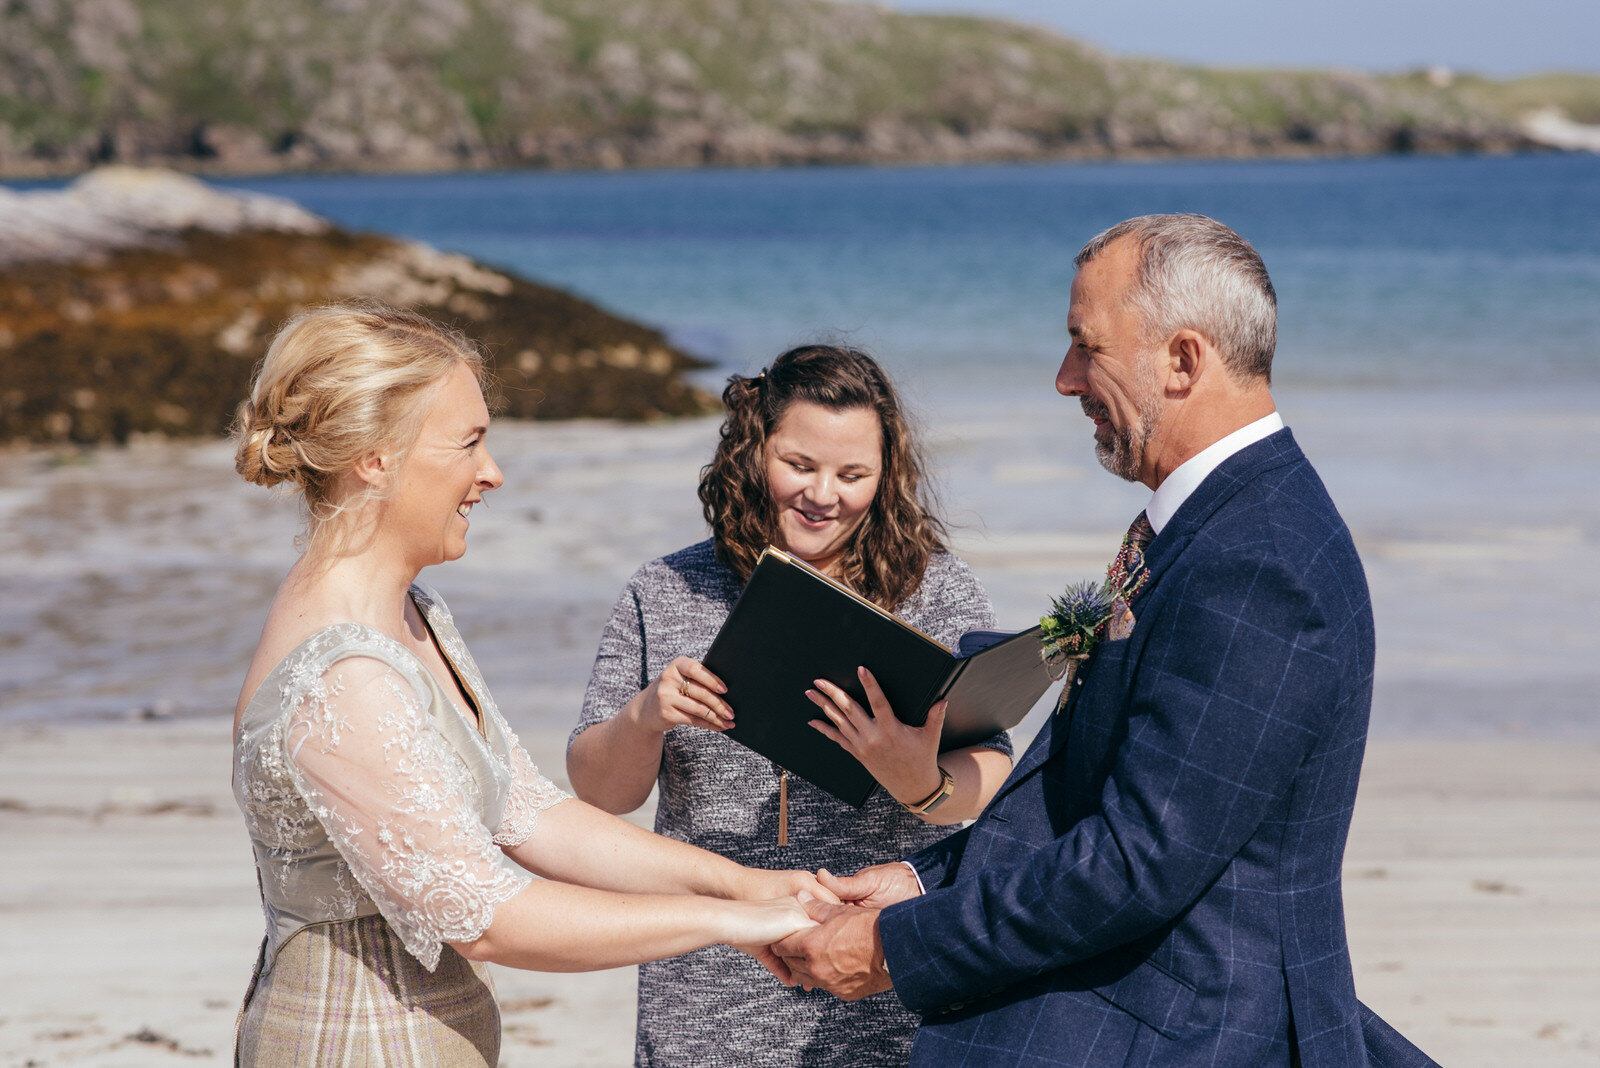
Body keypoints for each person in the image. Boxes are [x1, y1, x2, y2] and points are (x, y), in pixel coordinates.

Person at [772, 215, 1439, 1066]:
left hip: (1189, 1028)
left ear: (1183, 360)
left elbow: (1136, 861)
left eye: (1086, 347)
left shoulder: (1261, 561)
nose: (1064, 380)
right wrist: (919, 879)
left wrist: (893, 946)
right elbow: (1085, 789)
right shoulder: (1209, 523)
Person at [230, 304, 824, 1066]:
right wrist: (731, 925)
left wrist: (744, 885)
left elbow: (528, 810)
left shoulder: (416, 616)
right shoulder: (344, 676)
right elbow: (489, 918)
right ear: (376, 458)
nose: (493, 472)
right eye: (469, 442)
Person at [566, 344, 1015, 1066]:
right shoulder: (667, 589)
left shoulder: (938, 590)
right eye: (799, 466)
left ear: (886, 474)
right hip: (703, 985)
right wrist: (644, 716)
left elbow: (994, 774)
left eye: (853, 474)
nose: (823, 495)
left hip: (877, 979)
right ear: (754, 451)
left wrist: (918, 781)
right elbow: (598, 794)